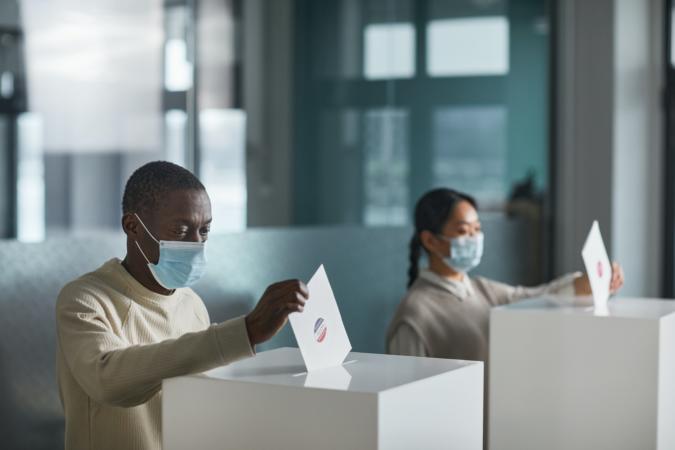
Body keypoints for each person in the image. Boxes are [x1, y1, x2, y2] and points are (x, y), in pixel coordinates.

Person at [56, 161, 309, 450]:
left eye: (204, 231)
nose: (196, 244)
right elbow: (108, 381)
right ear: (132, 226)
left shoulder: (191, 304)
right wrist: (245, 332)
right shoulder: (84, 299)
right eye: (180, 230)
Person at [387, 188, 624, 360]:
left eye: (477, 229)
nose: (474, 238)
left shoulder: (482, 290)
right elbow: (406, 399)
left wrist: (587, 284)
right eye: (463, 231)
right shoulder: (414, 315)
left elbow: (540, 298)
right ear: (430, 240)